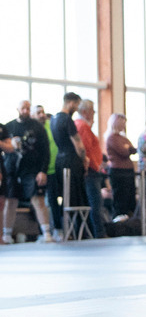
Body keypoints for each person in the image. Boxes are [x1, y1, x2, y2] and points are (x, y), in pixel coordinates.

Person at [4, 100, 53, 243]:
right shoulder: (9, 127)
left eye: (27, 108)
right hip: (12, 170)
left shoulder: (37, 127)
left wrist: (42, 171)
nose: (25, 111)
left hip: (31, 170)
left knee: (38, 199)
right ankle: (6, 234)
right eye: (23, 108)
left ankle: (46, 233)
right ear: (17, 109)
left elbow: (45, 151)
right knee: (10, 201)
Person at [51, 92, 86, 235]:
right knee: (76, 197)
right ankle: (77, 232)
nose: (77, 108)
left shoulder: (54, 119)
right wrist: (84, 159)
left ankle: (65, 230)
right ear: (71, 103)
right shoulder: (67, 120)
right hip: (71, 161)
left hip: (60, 161)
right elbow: (79, 145)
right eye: (77, 105)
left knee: (66, 197)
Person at [75, 100, 106, 239]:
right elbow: (86, 148)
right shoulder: (82, 126)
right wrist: (95, 165)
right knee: (95, 203)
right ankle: (99, 233)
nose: (94, 113)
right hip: (91, 171)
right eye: (92, 110)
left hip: (92, 169)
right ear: (85, 112)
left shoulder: (81, 125)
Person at [103, 113, 137, 219]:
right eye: (122, 122)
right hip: (118, 172)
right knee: (120, 199)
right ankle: (119, 222)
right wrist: (127, 148)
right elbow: (124, 151)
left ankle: (129, 222)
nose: (124, 125)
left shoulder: (123, 138)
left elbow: (132, 149)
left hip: (128, 172)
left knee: (130, 199)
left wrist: (128, 148)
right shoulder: (111, 138)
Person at [35, 105, 61, 241]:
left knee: (53, 200)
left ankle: (58, 229)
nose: (41, 115)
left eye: (43, 112)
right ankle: (43, 232)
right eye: (38, 112)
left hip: (52, 170)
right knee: (38, 202)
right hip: (38, 171)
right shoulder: (33, 129)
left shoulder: (51, 125)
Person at [0, 121, 12, 244]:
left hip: (1, 167)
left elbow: (10, 148)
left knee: (1, 202)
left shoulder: (2, 127)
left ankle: (0, 237)